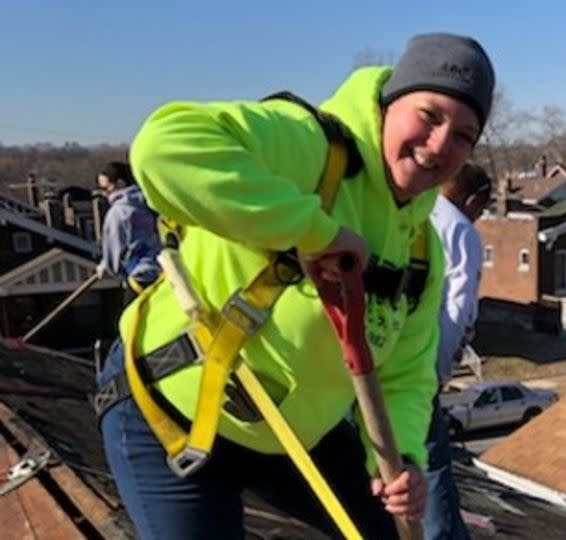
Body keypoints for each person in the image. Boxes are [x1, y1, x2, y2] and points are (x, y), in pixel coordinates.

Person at [94, 32, 495, 540]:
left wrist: (404, 459)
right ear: (390, 103)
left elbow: (406, 375)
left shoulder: (421, 249)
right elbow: (162, 148)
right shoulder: (311, 149)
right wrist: (313, 232)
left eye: (464, 135)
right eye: (430, 115)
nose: (440, 144)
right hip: (171, 414)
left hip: (294, 437)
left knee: (383, 530)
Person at [425, 163, 491, 539]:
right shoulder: (460, 231)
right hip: (420, 362)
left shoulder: (415, 211)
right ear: (472, 200)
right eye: (481, 209)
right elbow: (457, 306)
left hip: (381, 353)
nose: (480, 217)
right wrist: (440, 370)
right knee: (432, 463)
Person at [94, 161, 162, 301]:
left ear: (120, 184)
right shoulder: (153, 202)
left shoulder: (118, 212)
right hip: (167, 273)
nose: (104, 194)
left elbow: (113, 255)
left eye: (106, 188)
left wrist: (105, 267)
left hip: (141, 278)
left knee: (129, 321)